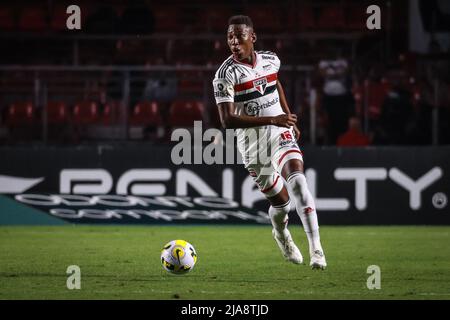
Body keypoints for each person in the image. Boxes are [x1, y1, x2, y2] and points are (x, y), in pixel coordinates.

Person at [212, 15, 326, 269]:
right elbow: (227, 120)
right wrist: (273, 119)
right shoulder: (224, 75)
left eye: (239, 35)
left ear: (252, 37)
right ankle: (281, 234)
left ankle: (316, 250)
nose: (233, 41)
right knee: (282, 204)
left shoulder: (271, 60)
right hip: (252, 145)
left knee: (298, 183)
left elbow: (276, 85)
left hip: (279, 134)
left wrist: (288, 119)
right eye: (229, 36)